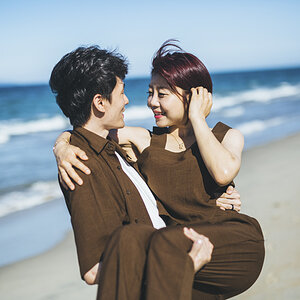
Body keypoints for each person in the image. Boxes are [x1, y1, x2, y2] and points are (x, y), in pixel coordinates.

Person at [54, 41, 264, 299]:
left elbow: (222, 172)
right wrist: (62, 146)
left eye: (161, 94)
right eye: (149, 93)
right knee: (136, 241)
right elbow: (88, 128)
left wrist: (197, 118)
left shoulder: (227, 136)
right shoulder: (143, 140)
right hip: (178, 244)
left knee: (152, 244)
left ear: (194, 96)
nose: (150, 102)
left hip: (231, 241)